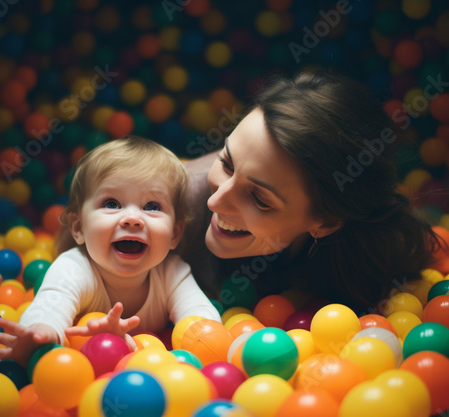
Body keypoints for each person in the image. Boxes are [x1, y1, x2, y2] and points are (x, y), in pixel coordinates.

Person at [178, 70, 441, 315]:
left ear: (325, 222)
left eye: (258, 199)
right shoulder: (166, 217)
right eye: (226, 163)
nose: (216, 201)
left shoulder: (369, 258)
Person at [0, 136, 221, 365]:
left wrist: (209, 340)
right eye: (112, 204)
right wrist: (40, 334)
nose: (132, 219)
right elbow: (50, 306)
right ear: (79, 227)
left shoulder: (173, 272)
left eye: (151, 206)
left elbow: (202, 320)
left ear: (175, 234)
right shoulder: (73, 268)